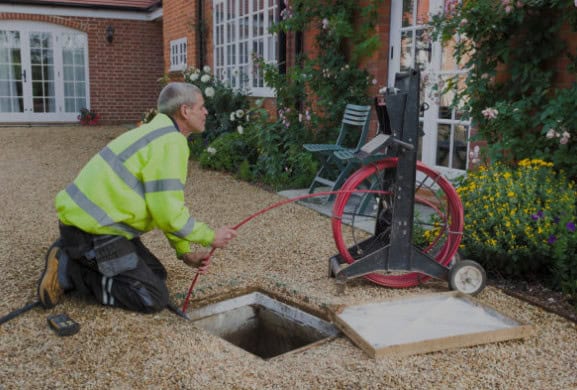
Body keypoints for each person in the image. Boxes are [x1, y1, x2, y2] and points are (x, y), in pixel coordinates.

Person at [37, 82, 238, 313]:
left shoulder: (156, 133)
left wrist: (184, 251)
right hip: (93, 232)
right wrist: (210, 236)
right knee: (152, 297)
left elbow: (163, 206)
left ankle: (74, 253)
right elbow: (168, 215)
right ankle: (71, 268)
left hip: (99, 226)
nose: (206, 112)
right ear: (185, 111)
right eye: (201, 107)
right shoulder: (171, 142)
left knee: (157, 275)